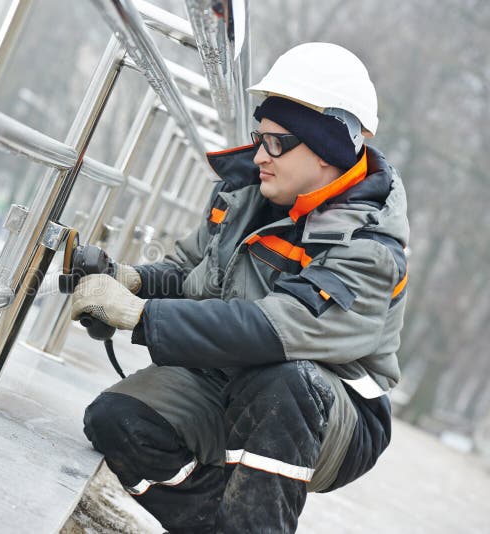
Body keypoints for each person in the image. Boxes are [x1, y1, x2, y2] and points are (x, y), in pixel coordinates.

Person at [70, 42, 409, 533]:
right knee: (118, 419)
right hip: (229, 376)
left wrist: (141, 317)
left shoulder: (369, 245)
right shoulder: (247, 192)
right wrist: (132, 281)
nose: (259, 154)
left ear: (327, 148)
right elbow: (195, 269)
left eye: (276, 142)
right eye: (259, 137)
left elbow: (279, 330)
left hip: (331, 411)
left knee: (282, 382)